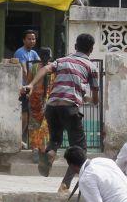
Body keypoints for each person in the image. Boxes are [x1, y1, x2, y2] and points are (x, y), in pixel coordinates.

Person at [21, 34, 99, 193]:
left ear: (75, 46)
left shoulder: (62, 60)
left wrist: (30, 84)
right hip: (70, 107)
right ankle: (65, 185)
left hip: (52, 106)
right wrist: (93, 100)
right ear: (91, 49)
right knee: (79, 149)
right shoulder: (91, 66)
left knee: (55, 138)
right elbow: (95, 95)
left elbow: (45, 68)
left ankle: (50, 153)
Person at [15, 30, 40, 145]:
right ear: (24, 40)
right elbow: (25, 71)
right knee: (24, 115)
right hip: (24, 88)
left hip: (31, 88)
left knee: (31, 115)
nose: (32, 41)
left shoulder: (33, 53)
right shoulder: (20, 52)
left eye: (33, 39)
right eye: (29, 39)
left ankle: (30, 141)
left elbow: (41, 64)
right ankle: (19, 138)